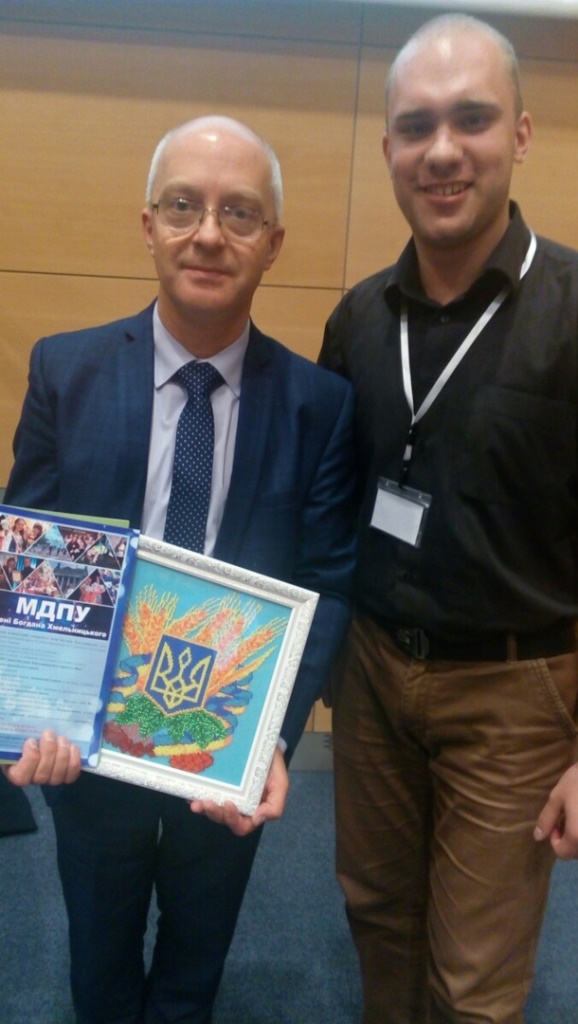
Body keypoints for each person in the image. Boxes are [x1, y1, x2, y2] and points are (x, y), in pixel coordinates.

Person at [4, 114, 356, 1024]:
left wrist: (273, 740)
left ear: (273, 242)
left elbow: (328, 583)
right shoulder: (66, 371)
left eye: (239, 212)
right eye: (183, 206)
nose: (208, 233)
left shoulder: (320, 406)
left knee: (198, 956)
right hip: (88, 744)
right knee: (98, 954)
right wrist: (31, 712)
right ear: (148, 225)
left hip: (223, 744)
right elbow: (30, 558)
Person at [318, 15, 578, 1024]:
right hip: (374, 674)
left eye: (470, 119)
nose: (441, 150)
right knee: (377, 915)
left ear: (520, 132)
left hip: (517, 692)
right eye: (417, 125)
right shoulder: (357, 317)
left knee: (473, 983)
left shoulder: (572, 310)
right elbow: (335, 505)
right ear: (387, 144)